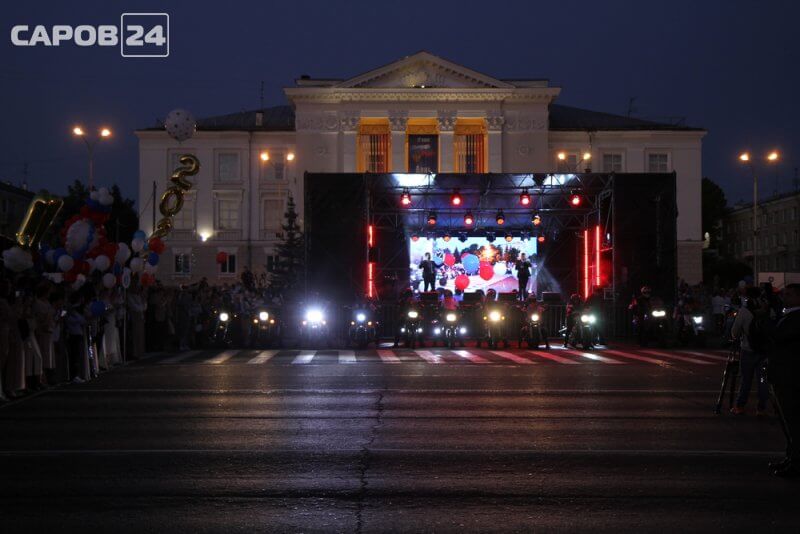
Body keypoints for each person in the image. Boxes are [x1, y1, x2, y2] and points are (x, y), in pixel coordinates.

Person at [768, 283, 800, 477]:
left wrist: (766, 318)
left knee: (794, 422)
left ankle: (796, 463)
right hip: (784, 376)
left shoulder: (796, 318)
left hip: (791, 377)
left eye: (789, 295)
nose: (784, 298)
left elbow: (778, 336)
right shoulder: (788, 316)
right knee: (789, 422)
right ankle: (791, 457)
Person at [729, 288, 769, 416]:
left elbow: (734, 332)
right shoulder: (768, 309)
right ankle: (761, 408)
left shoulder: (744, 311)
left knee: (746, 379)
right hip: (764, 350)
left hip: (748, 349)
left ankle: (740, 406)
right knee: (762, 380)